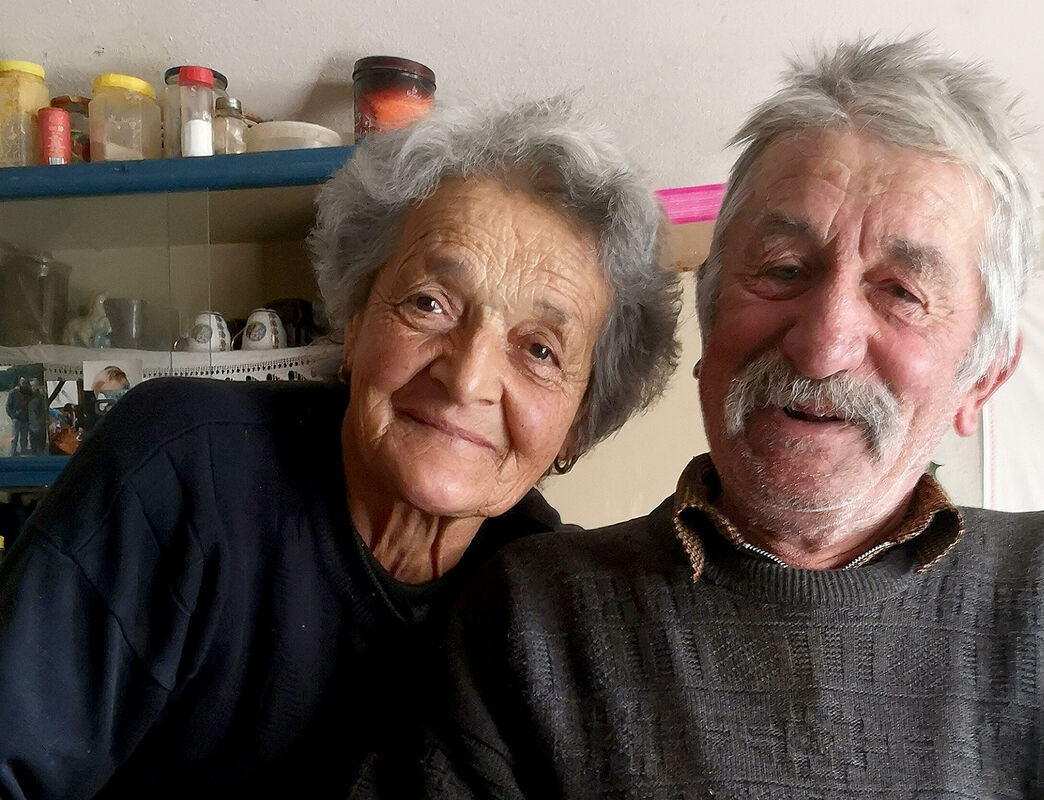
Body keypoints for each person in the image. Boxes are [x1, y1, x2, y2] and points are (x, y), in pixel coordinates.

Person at [419, 38, 1044, 798]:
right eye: (784, 269)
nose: (824, 345)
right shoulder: (533, 614)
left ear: (982, 377)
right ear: (710, 323)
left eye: (902, 292)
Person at [0, 97, 680, 799]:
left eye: (539, 349)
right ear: (354, 324)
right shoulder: (182, 469)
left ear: (577, 424)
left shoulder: (539, 603)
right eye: (430, 303)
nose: (467, 379)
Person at [6, 375, 30, 455]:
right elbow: (8, 407)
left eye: (24, 381)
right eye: (22, 381)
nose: (23, 383)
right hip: (16, 419)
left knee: (24, 438)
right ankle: (12, 453)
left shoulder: (27, 392)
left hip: (25, 419)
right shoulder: (12, 392)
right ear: (19, 382)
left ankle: (23, 452)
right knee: (14, 438)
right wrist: (13, 416)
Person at [24, 377, 47, 456]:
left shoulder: (41, 398)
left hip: (39, 427)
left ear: (37, 386)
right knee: (34, 449)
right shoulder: (29, 397)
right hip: (32, 426)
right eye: (31, 386)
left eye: (34, 386)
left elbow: (43, 412)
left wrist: (40, 423)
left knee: (40, 449)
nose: (32, 387)